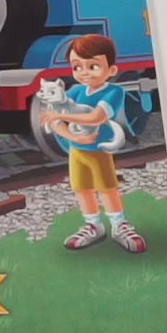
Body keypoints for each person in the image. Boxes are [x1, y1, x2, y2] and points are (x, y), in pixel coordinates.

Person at [39, 34, 147, 252]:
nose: (84, 72)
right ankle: (93, 225)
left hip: (99, 150)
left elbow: (96, 117)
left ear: (112, 70)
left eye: (93, 66)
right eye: (77, 67)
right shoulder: (76, 91)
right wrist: (74, 137)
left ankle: (119, 224)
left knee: (107, 188)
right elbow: (55, 120)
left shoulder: (113, 91)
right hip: (77, 150)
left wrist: (61, 117)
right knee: (82, 188)